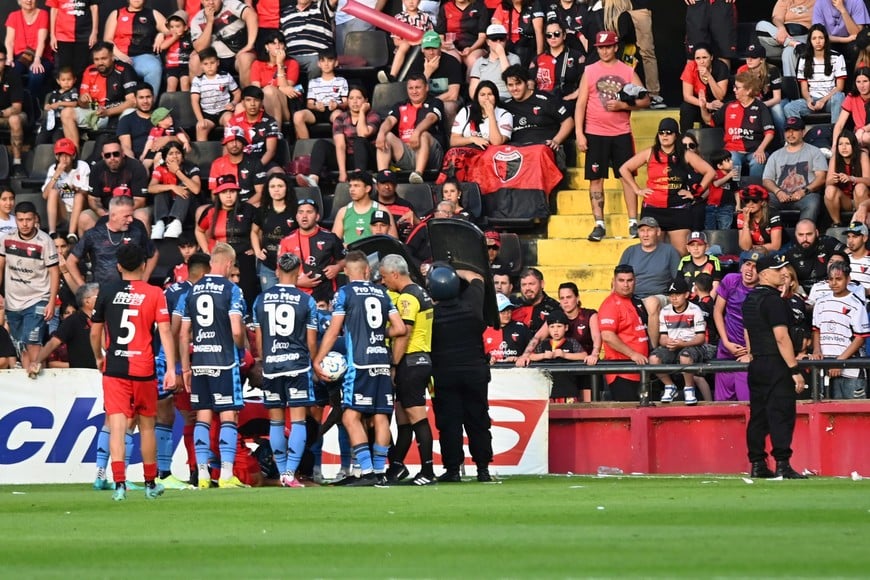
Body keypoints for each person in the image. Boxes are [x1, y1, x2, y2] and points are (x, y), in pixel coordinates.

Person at [90, 243, 176, 500]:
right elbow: (165, 331)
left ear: (118, 266)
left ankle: (119, 485)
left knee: (117, 427)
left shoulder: (106, 291)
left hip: (115, 368)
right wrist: (171, 367)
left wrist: (98, 357)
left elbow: (95, 332)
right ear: (142, 265)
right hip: (144, 369)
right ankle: (150, 484)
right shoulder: (155, 293)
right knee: (147, 427)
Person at [313, 250, 406, 486]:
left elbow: (334, 331)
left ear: (346, 272)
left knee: (350, 416)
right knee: (381, 415)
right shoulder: (382, 293)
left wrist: (318, 359)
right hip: (381, 361)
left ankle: (366, 472)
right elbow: (400, 329)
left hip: (360, 363)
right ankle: (378, 471)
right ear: (367, 270)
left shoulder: (344, 293)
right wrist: (377, 333)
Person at [179, 242, 249, 489]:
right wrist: (241, 347)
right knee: (228, 415)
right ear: (229, 264)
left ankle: (203, 475)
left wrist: (186, 368)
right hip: (224, 361)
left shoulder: (193, 290)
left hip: (200, 362)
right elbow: (237, 329)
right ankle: (227, 474)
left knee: (203, 417)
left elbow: (184, 332)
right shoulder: (232, 289)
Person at [252, 252, 319, 488]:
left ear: (277, 269)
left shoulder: (261, 299)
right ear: (299, 270)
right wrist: (314, 361)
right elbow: (311, 341)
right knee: (299, 420)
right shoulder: (306, 300)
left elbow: (259, 339)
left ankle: (281, 473)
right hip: (297, 365)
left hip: (272, 366)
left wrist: (263, 359)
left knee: (276, 422)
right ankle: (290, 472)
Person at [575, 30, 649, 241]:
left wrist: (623, 105)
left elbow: (645, 100)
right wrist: (580, 133)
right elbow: (580, 104)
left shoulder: (627, 71)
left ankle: (633, 222)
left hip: (621, 132)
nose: (604, 51)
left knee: (626, 176)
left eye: (608, 46)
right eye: (600, 47)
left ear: (616, 47)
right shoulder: (589, 70)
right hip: (595, 133)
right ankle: (599, 223)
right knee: (595, 179)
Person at [742, 253, 808, 479]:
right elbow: (781, 337)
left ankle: (758, 463)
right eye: (777, 269)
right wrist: (794, 370)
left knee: (758, 415)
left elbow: (749, 333)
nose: (783, 273)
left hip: (757, 362)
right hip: (777, 363)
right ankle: (782, 463)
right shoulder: (774, 301)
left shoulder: (750, 299)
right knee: (781, 413)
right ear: (763, 274)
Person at [428, 262, 494, 482]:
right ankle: (483, 469)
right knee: (478, 420)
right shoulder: (472, 306)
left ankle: (453, 470)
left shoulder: (430, 316)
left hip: (444, 374)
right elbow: (477, 276)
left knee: (449, 424)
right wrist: (455, 272)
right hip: (475, 372)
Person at [379, 254, 436, 486]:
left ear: (395, 274)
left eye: (384, 277)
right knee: (403, 419)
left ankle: (428, 471)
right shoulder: (421, 292)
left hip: (411, 361)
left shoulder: (408, 298)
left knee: (416, 417)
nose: (383, 282)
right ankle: (396, 467)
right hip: (420, 360)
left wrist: (393, 365)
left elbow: (404, 333)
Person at [619, 117, 716, 256]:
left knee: (681, 253)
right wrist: (637, 189)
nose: (664, 135)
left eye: (669, 132)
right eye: (661, 132)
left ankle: (679, 278)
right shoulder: (650, 152)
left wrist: (695, 193)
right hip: (653, 209)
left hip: (678, 209)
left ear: (676, 135)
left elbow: (710, 172)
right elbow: (624, 169)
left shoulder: (685, 154)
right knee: (654, 253)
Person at [0, 201, 60, 369]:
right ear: (16, 220)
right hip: (13, 301)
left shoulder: (45, 241)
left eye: (28, 219)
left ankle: (35, 380)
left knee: (33, 342)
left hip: (37, 298)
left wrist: (51, 301)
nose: (24, 224)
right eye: (20, 220)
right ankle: (30, 385)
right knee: (21, 345)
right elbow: (0, 266)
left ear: (35, 219)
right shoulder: (6, 239)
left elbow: (54, 272)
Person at [67, 195, 159, 288]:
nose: (131, 220)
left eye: (131, 215)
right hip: (102, 290)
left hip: (130, 291)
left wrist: (144, 280)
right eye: (126, 216)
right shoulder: (94, 234)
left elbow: (153, 254)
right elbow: (71, 261)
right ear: (113, 215)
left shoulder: (136, 232)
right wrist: (84, 287)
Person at [60, 42, 138, 148]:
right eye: (96, 59)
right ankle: (74, 157)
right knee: (66, 113)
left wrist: (108, 112)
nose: (100, 62)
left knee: (131, 112)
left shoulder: (125, 70)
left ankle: (126, 152)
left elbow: (132, 102)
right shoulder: (89, 70)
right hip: (96, 113)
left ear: (112, 56)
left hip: (117, 114)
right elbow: (82, 104)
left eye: (103, 58)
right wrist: (82, 100)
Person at [698, 72, 776, 180]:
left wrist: (761, 149)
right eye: (734, 87)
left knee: (758, 161)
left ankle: (753, 190)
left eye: (737, 88)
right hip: (733, 150)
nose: (734, 90)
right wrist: (703, 107)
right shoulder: (729, 106)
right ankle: (736, 190)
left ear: (748, 91)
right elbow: (709, 121)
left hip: (755, 150)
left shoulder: (761, 107)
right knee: (733, 161)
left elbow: (770, 132)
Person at [617, 216, 681, 346]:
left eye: (649, 230)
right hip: (632, 296)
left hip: (660, 296)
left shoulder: (669, 251)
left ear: (658, 232)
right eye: (642, 231)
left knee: (652, 302)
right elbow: (618, 278)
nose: (645, 234)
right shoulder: (630, 251)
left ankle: (652, 348)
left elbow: (678, 280)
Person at [811, 260, 870, 399]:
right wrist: (817, 350)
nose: (834, 283)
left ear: (848, 279)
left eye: (838, 279)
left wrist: (839, 362)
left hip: (851, 372)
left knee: (854, 415)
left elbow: (860, 338)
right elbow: (816, 329)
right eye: (830, 279)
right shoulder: (821, 302)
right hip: (825, 369)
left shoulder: (856, 304)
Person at [299, 86, 380, 187]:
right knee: (321, 144)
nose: (355, 102)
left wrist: (362, 113)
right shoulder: (341, 118)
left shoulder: (373, 116)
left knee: (359, 141)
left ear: (366, 101)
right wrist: (342, 172)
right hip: (348, 158)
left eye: (359, 98)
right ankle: (313, 179)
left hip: (367, 158)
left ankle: (359, 177)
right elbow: (340, 145)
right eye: (351, 98)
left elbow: (363, 133)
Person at [650, 276, 713, 405]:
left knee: (685, 356)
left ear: (686, 294)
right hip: (673, 346)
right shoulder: (664, 311)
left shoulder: (695, 310)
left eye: (677, 294)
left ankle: (689, 388)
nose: (674, 298)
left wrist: (682, 344)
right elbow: (662, 338)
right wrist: (668, 342)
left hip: (692, 345)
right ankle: (669, 386)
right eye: (671, 295)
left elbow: (700, 338)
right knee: (653, 359)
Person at [196, 174, 258, 303]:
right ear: (218, 194)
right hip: (219, 257)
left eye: (232, 191)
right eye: (224, 192)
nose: (229, 196)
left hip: (243, 255)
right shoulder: (210, 211)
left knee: (247, 290)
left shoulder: (249, 210)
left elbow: (259, 230)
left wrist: (256, 248)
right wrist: (206, 250)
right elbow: (199, 230)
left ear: (237, 192)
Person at [375, 73, 447, 185]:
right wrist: (381, 133)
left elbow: (431, 118)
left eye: (418, 87)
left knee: (424, 135)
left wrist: (417, 132)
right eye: (411, 88)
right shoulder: (400, 105)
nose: (414, 91)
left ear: (426, 88)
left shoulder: (435, 102)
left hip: (431, 155)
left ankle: (418, 174)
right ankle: (383, 177)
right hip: (407, 152)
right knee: (387, 136)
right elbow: (389, 120)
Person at [278, 198, 346, 303]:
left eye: (309, 212)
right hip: (296, 297)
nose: (304, 216)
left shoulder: (331, 238)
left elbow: (345, 261)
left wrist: (337, 267)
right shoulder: (286, 240)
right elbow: (279, 272)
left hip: (325, 295)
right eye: (300, 212)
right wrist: (298, 282)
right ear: (296, 216)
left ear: (317, 216)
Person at [598, 263, 649, 401]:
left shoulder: (635, 301)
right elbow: (607, 336)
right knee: (629, 414)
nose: (626, 285)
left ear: (635, 281)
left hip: (641, 369)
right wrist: (633, 354)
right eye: (621, 280)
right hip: (622, 372)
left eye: (629, 280)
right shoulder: (610, 305)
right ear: (613, 282)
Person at [713, 250, 759, 402]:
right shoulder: (730, 280)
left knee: (745, 401)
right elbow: (717, 312)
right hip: (726, 349)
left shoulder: (763, 291)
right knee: (722, 403)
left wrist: (751, 353)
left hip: (750, 354)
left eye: (755, 266)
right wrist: (726, 342)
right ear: (741, 266)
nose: (750, 270)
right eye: (747, 264)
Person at [444, 80, 513, 182]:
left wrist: (491, 115)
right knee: (452, 153)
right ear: (477, 97)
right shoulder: (466, 111)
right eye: (482, 95)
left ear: (495, 97)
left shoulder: (504, 115)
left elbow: (497, 142)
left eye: (490, 94)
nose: (486, 98)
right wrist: (473, 139)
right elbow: (453, 141)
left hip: (490, 155)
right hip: (467, 153)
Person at [763, 116, 827, 223]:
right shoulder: (775, 155)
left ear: (803, 132)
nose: (790, 134)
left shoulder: (815, 152)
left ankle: (805, 234)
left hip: (805, 196)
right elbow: (766, 180)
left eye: (795, 130)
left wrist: (804, 191)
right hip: (780, 196)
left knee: (813, 201)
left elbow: (821, 178)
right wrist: (778, 192)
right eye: (787, 130)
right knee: (764, 201)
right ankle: (774, 233)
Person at [28, 283, 99, 377]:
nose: (103, 299)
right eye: (98, 296)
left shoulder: (106, 319)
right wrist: (37, 361)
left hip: (104, 373)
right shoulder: (73, 320)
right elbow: (53, 342)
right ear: (87, 301)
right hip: (80, 376)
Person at [103, 0, 169, 100]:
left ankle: (149, 106)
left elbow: (172, 29)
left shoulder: (152, 13)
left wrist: (162, 34)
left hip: (144, 57)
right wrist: (120, 55)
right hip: (119, 56)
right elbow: (107, 40)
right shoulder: (116, 14)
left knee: (154, 67)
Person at [784, 23, 847, 123]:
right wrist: (809, 100)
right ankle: (800, 135)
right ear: (810, 41)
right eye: (814, 38)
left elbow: (839, 87)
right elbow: (804, 88)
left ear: (825, 39)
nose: (818, 41)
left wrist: (823, 100)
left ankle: (834, 132)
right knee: (789, 107)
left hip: (830, 100)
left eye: (821, 38)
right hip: (812, 100)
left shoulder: (837, 57)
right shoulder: (804, 58)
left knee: (839, 97)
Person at [87, 138, 152, 230]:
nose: (112, 158)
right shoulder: (96, 169)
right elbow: (93, 199)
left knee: (142, 216)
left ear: (123, 153)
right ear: (103, 156)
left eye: (116, 154)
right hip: (105, 211)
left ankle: (144, 244)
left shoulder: (137, 167)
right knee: (84, 218)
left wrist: (120, 213)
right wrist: (102, 213)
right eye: (108, 155)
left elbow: (140, 201)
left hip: (131, 210)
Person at [190, 0, 257, 86]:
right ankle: (199, 97)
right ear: (202, 1)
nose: (211, 2)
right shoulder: (197, 19)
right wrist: (210, 22)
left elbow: (251, 15)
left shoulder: (230, 3)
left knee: (245, 59)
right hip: (214, 60)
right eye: (207, 0)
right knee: (195, 60)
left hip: (237, 56)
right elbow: (200, 48)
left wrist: (250, 44)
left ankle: (247, 96)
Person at [251, 174, 297, 292]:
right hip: (268, 264)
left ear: (287, 188)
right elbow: (254, 232)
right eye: (272, 186)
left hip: (291, 264)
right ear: (268, 189)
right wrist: (257, 251)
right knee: (269, 299)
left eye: (280, 186)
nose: (276, 189)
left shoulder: (296, 210)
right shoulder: (262, 211)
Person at [249, 30, 302, 128]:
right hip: (261, 104)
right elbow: (255, 91)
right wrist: (280, 88)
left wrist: (280, 64)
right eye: (273, 43)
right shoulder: (257, 64)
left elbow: (286, 89)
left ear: (284, 47)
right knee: (240, 107)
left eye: (280, 43)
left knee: (269, 90)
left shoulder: (292, 63)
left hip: (284, 106)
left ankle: (275, 133)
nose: (277, 47)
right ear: (267, 47)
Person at [293, 49, 349, 141]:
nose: (326, 64)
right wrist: (315, 107)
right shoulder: (313, 82)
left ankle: (338, 147)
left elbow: (346, 103)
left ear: (336, 63)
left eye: (330, 60)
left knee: (338, 116)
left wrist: (337, 105)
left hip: (333, 109)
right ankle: (306, 150)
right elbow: (309, 104)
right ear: (319, 64)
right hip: (318, 110)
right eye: (323, 61)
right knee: (298, 116)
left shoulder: (341, 81)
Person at [42, 138, 90, 242]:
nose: (64, 158)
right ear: (56, 156)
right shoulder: (53, 169)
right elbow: (45, 195)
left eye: (67, 154)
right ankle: (52, 232)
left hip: (81, 210)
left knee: (78, 196)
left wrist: (77, 189)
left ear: (73, 155)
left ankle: (71, 234)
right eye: (61, 154)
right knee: (53, 192)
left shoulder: (82, 166)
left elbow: (88, 194)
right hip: (63, 210)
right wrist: (57, 174)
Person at [530, 20, 584, 110]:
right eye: (549, 35)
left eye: (557, 34)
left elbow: (587, 79)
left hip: (568, 103)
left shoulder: (576, 56)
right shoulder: (538, 59)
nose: (553, 37)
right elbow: (530, 82)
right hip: (543, 104)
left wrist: (576, 94)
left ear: (564, 35)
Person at [278, 0, 339, 80]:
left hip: (315, 55)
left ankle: (312, 91)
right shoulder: (285, 13)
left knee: (317, 62)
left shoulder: (321, 7)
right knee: (278, 60)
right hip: (291, 56)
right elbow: (280, 39)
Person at [4, 0, 52, 102]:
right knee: (11, 71)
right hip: (21, 56)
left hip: (41, 55)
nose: (29, 1)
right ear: (19, 1)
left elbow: (41, 41)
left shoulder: (43, 14)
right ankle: (13, 103)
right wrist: (9, 58)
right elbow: (9, 41)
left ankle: (31, 103)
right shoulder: (13, 16)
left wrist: (37, 60)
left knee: (36, 73)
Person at [191, 47, 241, 142]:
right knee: (200, 127)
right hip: (207, 114)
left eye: (212, 63)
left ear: (217, 62)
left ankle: (230, 147)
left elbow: (237, 92)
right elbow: (194, 101)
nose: (209, 66)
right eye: (206, 64)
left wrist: (233, 103)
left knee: (230, 120)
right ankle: (203, 154)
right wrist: (201, 120)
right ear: (201, 65)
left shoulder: (225, 76)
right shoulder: (198, 80)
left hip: (223, 111)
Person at [377, 0, 434, 84]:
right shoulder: (399, 18)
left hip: (421, 49)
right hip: (403, 50)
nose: (411, 2)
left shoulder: (425, 17)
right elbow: (396, 41)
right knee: (404, 45)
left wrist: (419, 42)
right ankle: (392, 76)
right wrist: (411, 43)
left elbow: (430, 36)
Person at [332, 171, 398, 244]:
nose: (352, 190)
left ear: (367, 189)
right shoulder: (343, 212)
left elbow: (394, 241)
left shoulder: (382, 210)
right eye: (350, 186)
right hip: (350, 254)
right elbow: (334, 242)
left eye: (356, 186)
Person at [208, 127, 267, 206]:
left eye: (238, 141)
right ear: (225, 144)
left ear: (243, 143)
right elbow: (214, 193)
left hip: (249, 204)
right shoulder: (217, 164)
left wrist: (243, 208)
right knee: (200, 210)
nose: (234, 144)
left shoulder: (255, 162)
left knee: (259, 205)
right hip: (225, 205)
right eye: (231, 141)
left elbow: (260, 193)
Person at [786, 218, 848, 293]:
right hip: (802, 293)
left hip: (829, 289)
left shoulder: (827, 242)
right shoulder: (789, 252)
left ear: (817, 233)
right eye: (800, 235)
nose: (805, 239)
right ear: (795, 234)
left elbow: (850, 254)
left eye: (809, 234)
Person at [679, 43, 730, 134]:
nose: (701, 62)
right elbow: (687, 96)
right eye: (698, 58)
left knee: (722, 107)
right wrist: (706, 105)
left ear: (711, 57)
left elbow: (720, 96)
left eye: (704, 57)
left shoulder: (721, 67)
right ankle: (684, 139)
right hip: (700, 103)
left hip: (716, 103)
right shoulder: (691, 66)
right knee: (686, 108)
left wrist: (709, 76)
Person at [228, 85, 282, 170]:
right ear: (242, 102)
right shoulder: (234, 121)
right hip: (240, 162)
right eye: (248, 100)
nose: (252, 104)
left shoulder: (270, 122)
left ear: (261, 103)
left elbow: (270, 151)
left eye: (256, 100)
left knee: (277, 172)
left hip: (264, 161)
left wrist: (256, 168)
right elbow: (228, 147)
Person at [824, 130, 870, 227]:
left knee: (860, 187)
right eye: (840, 144)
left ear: (853, 145)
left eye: (847, 144)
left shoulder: (862, 155)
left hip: (863, 198)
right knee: (829, 190)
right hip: (846, 201)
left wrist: (851, 178)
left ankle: (860, 224)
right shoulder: (835, 158)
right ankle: (837, 223)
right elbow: (828, 182)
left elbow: (868, 180)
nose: (844, 147)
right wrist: (834, 179)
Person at [755, 0, 812, 77]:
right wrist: (781, 28)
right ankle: (794, 43)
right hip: (782, 36)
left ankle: (791, 86)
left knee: (788, 52)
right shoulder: (784, 1)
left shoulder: (817, 2)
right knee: (761, 25)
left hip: (802, 36)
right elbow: (777, 18)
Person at [468, 23, 522, 100]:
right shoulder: (479, 62)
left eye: (501, 39)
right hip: (485, 99)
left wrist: (502, 55)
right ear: (487, 42)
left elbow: (511, 79)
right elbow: (473, 89)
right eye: (494, 39)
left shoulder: (514, 58)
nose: (498, 42)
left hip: (506, 98)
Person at [46, 0, 97, 80]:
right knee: (64, 69)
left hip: (84, 34)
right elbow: (54, 9)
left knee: (81, 69)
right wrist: (52, 35)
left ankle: (80, 91)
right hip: (62, 35)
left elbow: (94, 7)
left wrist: (94, 32)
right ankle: (65, 92)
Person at [436, 0, 488, 71]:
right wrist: (443, 43)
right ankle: (455, 82)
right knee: (452, 59)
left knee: (472, 60)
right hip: (452, 47)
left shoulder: (479, 6)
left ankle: (472, 82)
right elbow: (440, 34)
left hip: (474, 47)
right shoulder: (446, 7)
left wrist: (471, 49)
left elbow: (482, 36)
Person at [509, 267, 561, 338]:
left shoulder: (555, 308)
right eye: (524, 285)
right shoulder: (512, 306)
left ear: (542, 284)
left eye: (531, 284)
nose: (527, 288)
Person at [491, 0, 544, 68]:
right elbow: (495, 31)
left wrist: (538, 57)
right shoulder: (503, 6)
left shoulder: (533, 4)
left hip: (527, 45)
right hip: (507, 45)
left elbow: (539, 32)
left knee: (521, 51)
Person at [0, 48, 28, 177]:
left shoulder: (12, 75)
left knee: (15, 119)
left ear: (5, 61)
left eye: (0, 60)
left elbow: (17, 108)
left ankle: (17, 163)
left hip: (11, 115)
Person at [684, 0, 737, 68]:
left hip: (722, 3)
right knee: (694, 51)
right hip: (697, 3)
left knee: (723, 52)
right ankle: (692, 78)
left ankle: (722, 78)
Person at [484, 293, 531, 364]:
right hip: (491, 372)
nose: (507, 314)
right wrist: (488, 358)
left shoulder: (521, 328)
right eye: (502, 312)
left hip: (517, 371)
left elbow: (532, 353)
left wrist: (520, 358)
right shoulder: (483, 330)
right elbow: (475, 355)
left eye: (509, 311)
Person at [37, 67, 79, 147]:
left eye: (69, 79)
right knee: (40, 139)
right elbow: (48, 105)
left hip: (63, 123)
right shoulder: (53, 93)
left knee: (57, 139)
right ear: (58, 81)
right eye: (63, 80)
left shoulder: (73, 92)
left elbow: (75, 103)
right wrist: (47, 107)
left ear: (74, 80)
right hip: (51, 122)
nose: (66, 82)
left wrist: (60, 104)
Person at [737, 184, 784, 253]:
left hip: (776, 250)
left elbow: (775, 246)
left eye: (754, 200)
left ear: (762, 202)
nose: (750, 204)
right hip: (753, 251)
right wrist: (746, 223)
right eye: (747, 201)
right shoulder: (742, 216)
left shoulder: (773, 214)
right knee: (745, 257)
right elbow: (745, 247)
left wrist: (754, 248)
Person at [833, 67, 870, 149]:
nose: (862, 85)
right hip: (859, 136)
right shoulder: (851, 97)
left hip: (863, 134)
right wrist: (835, 145)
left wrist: (863, 129)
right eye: (858, 82)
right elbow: (839, 124)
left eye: (865, 81)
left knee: (866, 137)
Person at [678, 231, 722, 297]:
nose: (696, 248)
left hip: (706, 300)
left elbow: (716, 284)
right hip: (687, 301)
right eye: (692, 245)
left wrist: (707, 302)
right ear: (687, 248)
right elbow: (679, 282)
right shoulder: (684, 261)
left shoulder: (713, 260)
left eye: (700, 245)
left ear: (706, 247)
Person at [705, 149, 739, 230]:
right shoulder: (715, 174)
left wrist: (738, 205)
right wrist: (728, 176)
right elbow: (716, 184)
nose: (731, 162)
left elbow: (736, 191)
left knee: (725, 228)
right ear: (719, 166)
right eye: (728, 160)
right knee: (710, 229)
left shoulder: (733, 176)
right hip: (711, 206)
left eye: (731, 159)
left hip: (727, 207)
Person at [160, 10, 193, 92]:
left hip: (185, 66)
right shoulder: (169, 37)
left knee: (185, 83)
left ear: (185, 27)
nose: (174, 29)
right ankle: (170, 104)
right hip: (172, 67)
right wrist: (174, 38)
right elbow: (162, 46)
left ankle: (185, 103)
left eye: (177, 26)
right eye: (172, 27)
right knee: (171, 83)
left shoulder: (189, 38)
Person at [845, 221, 870, 293]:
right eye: (848, 237)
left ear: (864, 238)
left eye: (854, 236)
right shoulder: (843, 259)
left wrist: (863, 292)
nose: (850, 241)